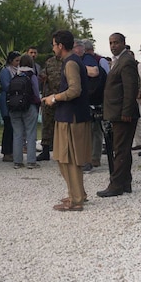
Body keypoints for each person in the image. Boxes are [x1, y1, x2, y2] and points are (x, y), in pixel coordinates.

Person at [41, 30, 90, 212]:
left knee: (67, 159)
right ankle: (78, 194)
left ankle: (75, 200)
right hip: (71, 116)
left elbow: (74, 90)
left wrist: (54, 98)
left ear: (60, 45)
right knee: (68, 158)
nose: (53, 48)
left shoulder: (70, 63)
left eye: (54, 45)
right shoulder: (74, 61)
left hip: (70, 118)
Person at [97, 32, 141, 198]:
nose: (113, 45)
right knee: (123, 150)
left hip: (123, 114)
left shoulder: (126, 61)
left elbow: (131, 89)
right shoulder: (117, 62)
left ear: (123, 43)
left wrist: (126, 112)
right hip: (117, 113)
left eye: (116, 42)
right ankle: (125, 183)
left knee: (120, 150)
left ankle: (115, 185)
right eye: (110, 43)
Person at [81, 39, 108, 172]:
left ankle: (94, 157)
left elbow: (100, 75)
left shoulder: (96, 61)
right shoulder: (97, 60)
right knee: (93, 129)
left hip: (95, 99)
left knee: (95, 129)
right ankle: (92, 157)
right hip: (94, 99)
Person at [10, 54, 41, 169]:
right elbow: (36, 93)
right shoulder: (32, 76)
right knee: (31, 133)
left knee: (17, 134)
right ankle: (31, 161)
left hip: (14, 107)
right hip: (29, 106)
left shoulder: (15, 75)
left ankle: (17, 161)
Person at [36, 52, 62, 162]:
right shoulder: (50, 62)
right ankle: (45, 151)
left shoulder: (68, 61)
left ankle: (61, 153)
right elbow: (42, 75)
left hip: (62, 98)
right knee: (47, 125)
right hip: (49, 97)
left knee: (62, 127)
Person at [0, 51, 20, 163]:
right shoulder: (6, 71)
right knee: (8, 127)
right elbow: (6, 86)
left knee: (14, 128)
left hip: (14, 102)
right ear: (11, 61)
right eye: (16, 60)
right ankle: (6, 152)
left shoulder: (18, 71)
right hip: (7, 102)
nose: (18, 63)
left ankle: (12, 151)